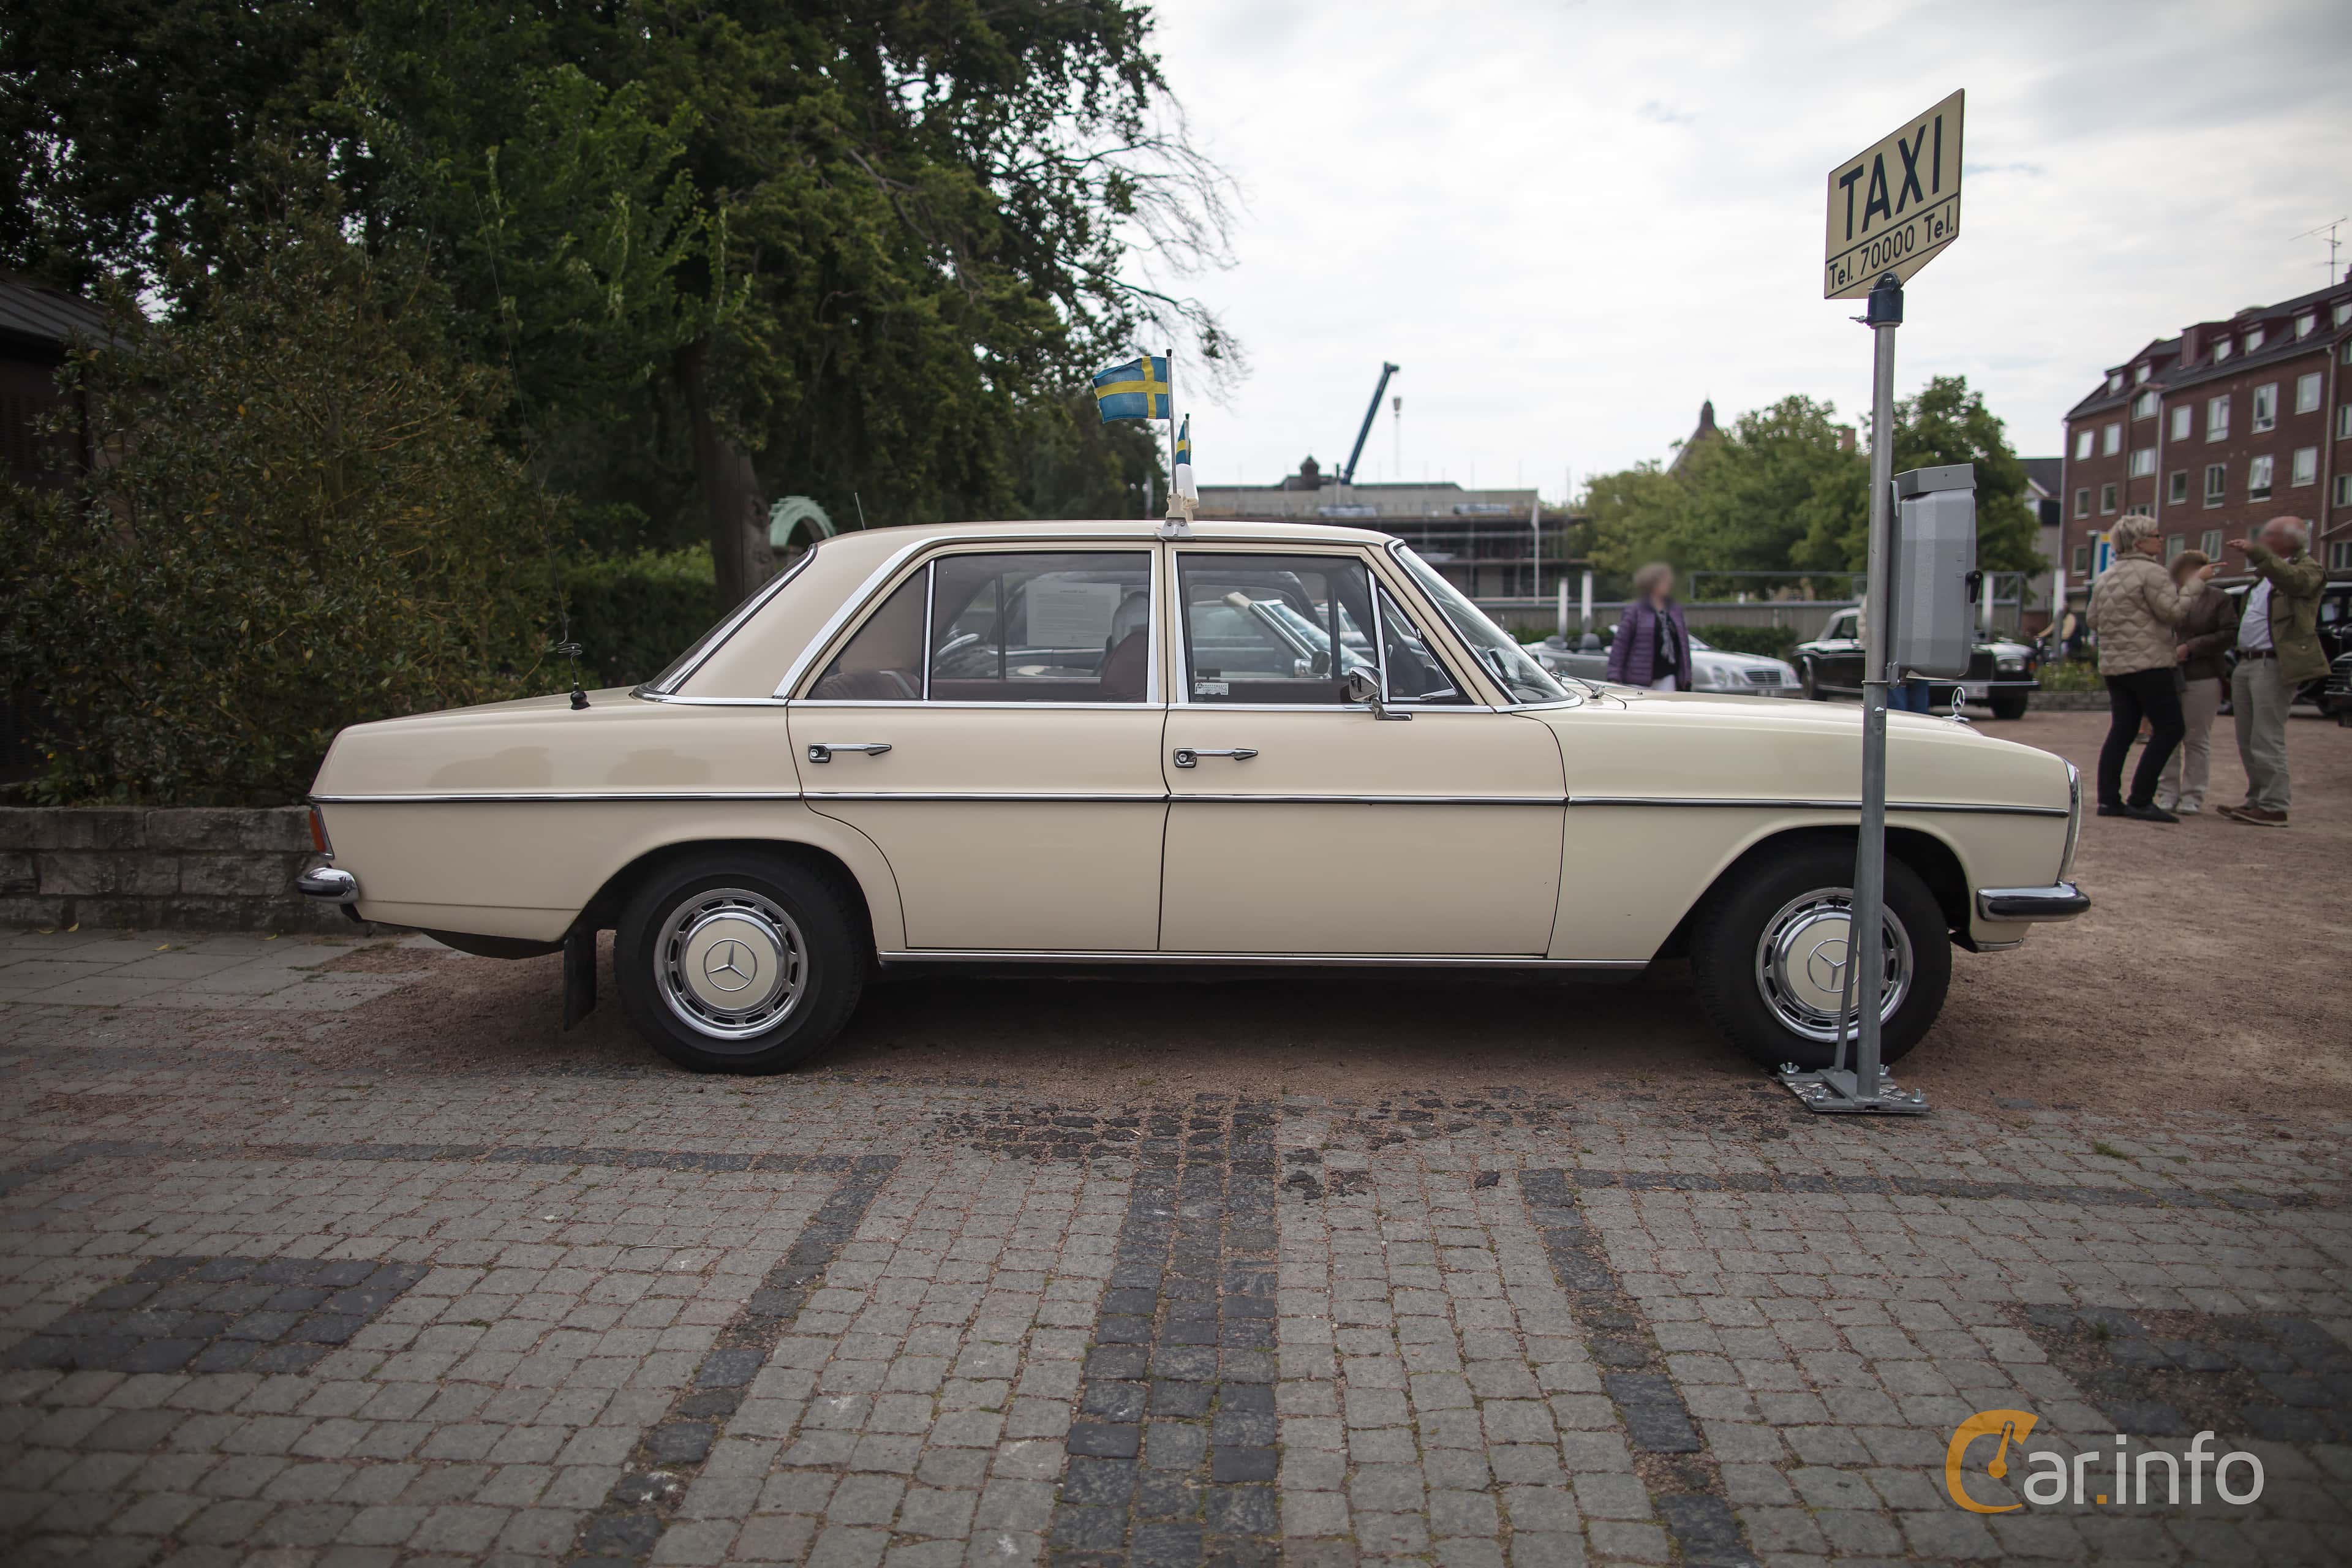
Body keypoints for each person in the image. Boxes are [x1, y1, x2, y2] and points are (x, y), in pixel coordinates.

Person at [2085, 514, 2196, 821]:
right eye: (2156, 535)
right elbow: (2173, 613)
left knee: (2122, 730)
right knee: (2171, 727)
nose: (2161, 540)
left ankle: (2109, 799)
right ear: (2140, 542)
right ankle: (2141, 798)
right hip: (2149, 662)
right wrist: (2194, 587)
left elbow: (2093, 620)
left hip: (2115, 665)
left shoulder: (2106, 577)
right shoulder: (2153, 573)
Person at [2218, 515, 2326, 827]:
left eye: (2269, 535)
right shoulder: (2264, 575)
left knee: (2267, 735)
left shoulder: (2307, 570)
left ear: (2289, 540)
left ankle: (2275, 804)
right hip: (2248, 661)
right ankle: (2257, 799)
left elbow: (2293, 581)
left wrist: (2258, 555)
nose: (2262, 540)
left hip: (2273, 662)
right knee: (2247, 736)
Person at [2155, 550, 2231, 815]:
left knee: (2197, 737)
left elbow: (2228, 634)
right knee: (2166, 735)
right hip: (2165, 674)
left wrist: (2192, 647)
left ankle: (2193, 795)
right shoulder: (2165, 598)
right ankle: (2167, 792)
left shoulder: (2219, 600)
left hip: (2203, 674)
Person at [1607, 562, 1691, 691]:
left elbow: (1683, 646)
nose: (1669, 584)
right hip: (1638, 680)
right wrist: (1614, 676)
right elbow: (1620, 645)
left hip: (1668, 676)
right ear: (1653, 584)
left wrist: (1686, 676)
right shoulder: (1635, 611)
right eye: (1665, 581)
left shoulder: (1675, 610)